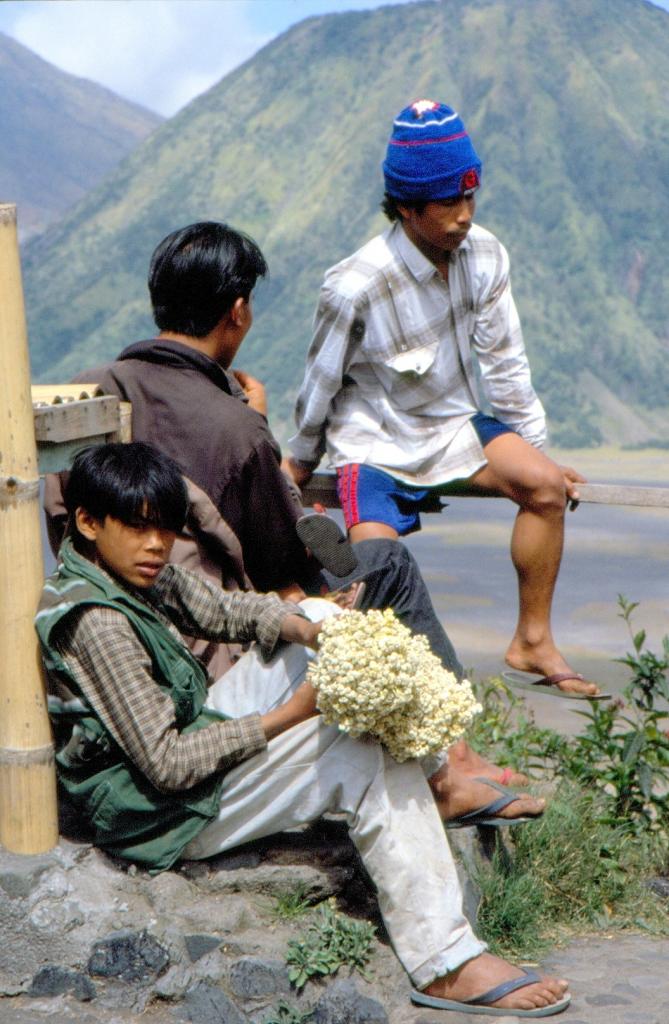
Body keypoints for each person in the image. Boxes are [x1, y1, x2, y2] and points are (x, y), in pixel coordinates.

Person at [35, 442, 570, 1017]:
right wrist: (293, 715)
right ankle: (445, 962)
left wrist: (306, 627)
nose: (156, 545)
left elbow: (225, 611)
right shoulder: (98, 622)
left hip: (180, 763)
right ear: (88, 522)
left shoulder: (129, 570)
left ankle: (437, 772)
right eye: (139, 527)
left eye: (165, 530)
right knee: (360, 751)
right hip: (157, 816)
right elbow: (168, 763)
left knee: (323, 620)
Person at [43, 219, 533, 793]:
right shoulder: (234, 425)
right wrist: (259, 432)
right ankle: (454, 762)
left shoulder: (89, 391)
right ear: (238, 311)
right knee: (386, 566)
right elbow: (291, 546)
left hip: (117, 617)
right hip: (204, 640)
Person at [284, 99, 600, 698]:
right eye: (448, 203)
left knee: (545, 488)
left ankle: (532, 640)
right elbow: (320, 380)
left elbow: (506, 363)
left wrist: (535, 452)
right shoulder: (356, 284)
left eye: (470, 199)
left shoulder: (485, 254)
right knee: (376, 567)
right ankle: (402, 690)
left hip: (453, 424)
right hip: (374, 437)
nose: (463, 217)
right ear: (406, 207)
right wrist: (296, 464)